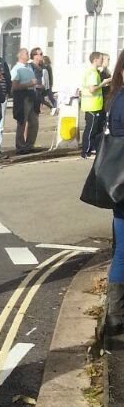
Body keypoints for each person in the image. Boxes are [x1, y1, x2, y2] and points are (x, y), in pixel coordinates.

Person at [102, 51, 124, 335]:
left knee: (120, 250)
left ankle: (114, 316)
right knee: (122, 254)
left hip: (119, 185)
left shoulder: (116, 98)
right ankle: (115, 318)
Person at [10, 48, 38, 154]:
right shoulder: (16, 69)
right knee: (22, 122)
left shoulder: (29, 66)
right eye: (26, 54)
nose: (28, 55)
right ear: (21, 56)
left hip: (32, 95)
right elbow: (14, 86)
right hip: (22, 97)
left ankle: (30, 145)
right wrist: (29, 84)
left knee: (34, 122)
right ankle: (20, 146)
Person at [81, 51, 107, 158]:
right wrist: (103, 83)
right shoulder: (92, 73)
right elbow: (92, 89)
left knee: (95, 129)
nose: (102, 60)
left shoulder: (94, 72)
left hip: (95, 105)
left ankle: (92, 149)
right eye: (101, 59)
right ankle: (86, 151)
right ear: (95, 60)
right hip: (91, 105)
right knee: (90, 129)